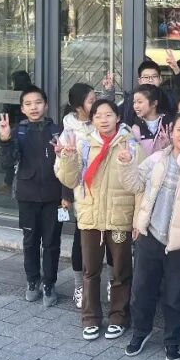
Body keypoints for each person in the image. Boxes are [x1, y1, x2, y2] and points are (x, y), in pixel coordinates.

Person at [118, 111, 180, 360]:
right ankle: (140, 332)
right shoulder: (157, 159)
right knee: (142, 290)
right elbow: (135, 185)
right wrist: (126, 163)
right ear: (171, 132)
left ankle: (172, 341)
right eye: (179, 130)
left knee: (176, 295)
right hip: (150, 235)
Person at [54, 99, 138, 342]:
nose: (103, 119)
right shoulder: (83, 143)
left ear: (118, 118)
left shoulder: (130, 142)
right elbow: (69, 180)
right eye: (98, 115)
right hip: (90, 217)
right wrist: (68, 158)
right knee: (90, 271)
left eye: (108, 114)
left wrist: (137, 219)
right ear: (92, 120)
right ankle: (90, 318)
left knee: (121, 270)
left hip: (119, 217)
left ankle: (119, 317)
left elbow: (140, 182)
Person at [0, 85, 63, 307]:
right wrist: (5, 140)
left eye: (38, 102)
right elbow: (6, 163)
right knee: (30, 241)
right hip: (27, 195)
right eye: (28, 104)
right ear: (23, 109)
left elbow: (68, 165)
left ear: (46, 105)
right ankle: (32, 281)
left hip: (54, 196)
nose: (34, 107)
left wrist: (67, 195)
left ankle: (49, 283)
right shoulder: (18, 131)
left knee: (52, 242)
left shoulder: (57, 131)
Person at [61, 82, 98, 310]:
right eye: (91, 101)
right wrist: (66, 195)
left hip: (103, 190)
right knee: (81, 239)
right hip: (81, 192)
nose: (96, 104)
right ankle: (79, 286)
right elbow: (64, 166)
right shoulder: (69, 128)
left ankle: (110, 284)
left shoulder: (101, 121)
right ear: (78, 107)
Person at [0, 70, 35, 195]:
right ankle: (9, 183)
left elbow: (6, 111)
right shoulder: (32, 92)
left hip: (16, 128)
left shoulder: (15, 95)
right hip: (28, 127)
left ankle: (8, 183)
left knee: (13, 155)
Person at [122, 83, 172, 155]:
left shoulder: (168, 124)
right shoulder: (135, 128)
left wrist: (169, 146)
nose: (135, 106)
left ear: (154, 103)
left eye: (140, 102)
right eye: (134, 102)